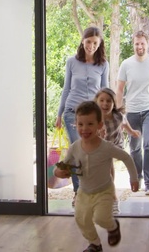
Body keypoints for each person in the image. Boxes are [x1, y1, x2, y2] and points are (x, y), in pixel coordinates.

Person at [54, 101, 139, 252]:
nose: (84, 129)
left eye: (90, 124)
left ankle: (113, 227)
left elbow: (126, 157)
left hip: (104, 191)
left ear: (100, 125)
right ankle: (95, 244)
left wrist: (133, 178)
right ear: (75, 125)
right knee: (81, 219)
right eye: (80, 124)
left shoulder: (106, 147)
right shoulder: (75, 147)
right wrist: (58, 172)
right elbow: (63, 165)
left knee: (101, 218)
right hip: (83, 192)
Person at [55, 26, 109, 206]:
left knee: (91, 155)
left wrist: (104, 118)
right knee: (78, 152)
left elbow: (104, 93)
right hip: (72, 113)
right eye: (88, 42)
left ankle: (92, 192)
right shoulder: (72, 62)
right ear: (82, 41)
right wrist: (59, 114)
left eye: (95, 43)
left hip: (93, 116)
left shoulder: (103, 65)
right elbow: (66, 89)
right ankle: (79, 193)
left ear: (99, 43)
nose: (91, 46)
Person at [116, 30, 149, 195]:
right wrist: (119, 113)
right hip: (132, 110)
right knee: (134, 148)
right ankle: (137, 178)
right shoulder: (126, 64)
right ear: (133, 44)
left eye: (142, 43)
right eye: (136, 43)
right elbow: (119, 90)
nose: (139, 46)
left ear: (147, 44)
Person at [94, 87, 140, 213]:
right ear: (96, 102)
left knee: (108, 165)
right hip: (99, 145)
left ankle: (112, 197)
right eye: (102, 100)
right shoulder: (94, 117)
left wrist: (132, 132)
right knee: (105, 168)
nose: (105, 104)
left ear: (114, 103)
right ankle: (106, 195)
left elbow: (124, 124)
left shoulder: (117, 116)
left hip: (114, 144)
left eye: (109, 101)